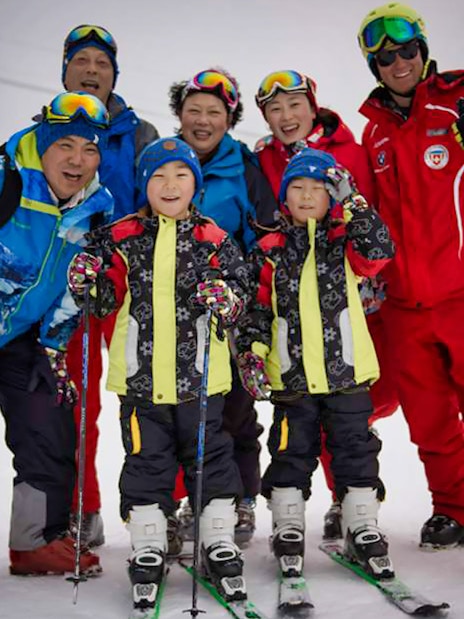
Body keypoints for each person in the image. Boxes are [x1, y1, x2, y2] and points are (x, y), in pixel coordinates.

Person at [67, 137, 250, 612]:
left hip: (200, 382)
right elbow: (102, 298)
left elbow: (239, 294)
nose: (169, 185)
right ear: (145, 183)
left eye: (181, 176)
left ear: (197, 184)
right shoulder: (121, 235)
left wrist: (224, 296)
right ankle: (148, 541)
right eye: (158, 176)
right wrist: (87, 277)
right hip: (141, 379)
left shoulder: (213, 237)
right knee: (147, 463)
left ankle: (216, 539)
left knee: (210, 461)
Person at [236, 148, 395, 579]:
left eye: (318, 189)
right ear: (284, 197)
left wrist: (355, 201)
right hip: (293, 379)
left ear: (332, 197)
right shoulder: (269, 250)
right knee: (291, 452)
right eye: (297, 188)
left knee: (356, 452)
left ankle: (361, 524)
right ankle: (287, 525)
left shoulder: (347, 243)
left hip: (347, 375)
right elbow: (257, 311)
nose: (307, 197)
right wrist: (252, 352)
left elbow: (381, 249)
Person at [254, 69, 399, 539]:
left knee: (350, 423)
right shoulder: (264, 159)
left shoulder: (351, 153)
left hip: (353, 298)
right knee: (297, 428)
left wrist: (352, 206)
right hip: (292, 307)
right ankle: (291, 516)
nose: (285, 115)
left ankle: (351, 505)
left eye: (294, 104)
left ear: (312, 105)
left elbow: (377, 238)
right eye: (274, 108)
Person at [357, 2, 464, 549]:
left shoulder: (457, 103)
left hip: (461, 294)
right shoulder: (373, 134)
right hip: (404, 304)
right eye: (384, 57)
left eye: (406, 50)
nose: (397, 63)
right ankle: (454, 509)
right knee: (429, 421)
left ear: (423, 51)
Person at [0, 90, 113, 575]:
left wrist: (52, 344)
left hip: (24, 337)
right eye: (65, 144)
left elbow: (76, 286)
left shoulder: (95, 207)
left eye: (89, 149)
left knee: (50, 421)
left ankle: (35, 542)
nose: (77, 159)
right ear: (44, 142)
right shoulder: (8, 178)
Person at [168, 68, 280, 544]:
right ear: (179, 113)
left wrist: (247, 302)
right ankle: (183, 503)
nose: (202, 119)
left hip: (228, 310)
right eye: (193, 110)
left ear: (229, 118)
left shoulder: (244, 167)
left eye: (214, 111)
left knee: (233, 413)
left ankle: (241, 501)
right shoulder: (164, 160)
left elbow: (265, 237)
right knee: (176, 412)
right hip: (171, 310)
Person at [59, 24, 159, 548]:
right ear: (66, 70)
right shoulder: (43, 133)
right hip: (66, 295)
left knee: (152, 400)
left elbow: (161, 202)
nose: (92, 70)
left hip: (129, 292)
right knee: (76, 407)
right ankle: (84, 506)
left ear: (114, 75)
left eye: (102, 63)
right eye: (82, 61)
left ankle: (164, 508)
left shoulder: (139, 136)